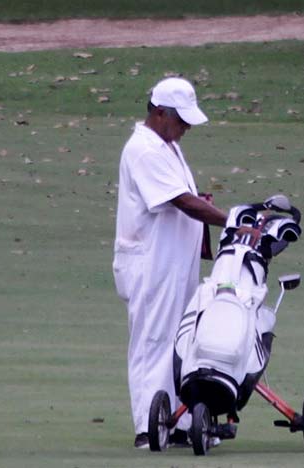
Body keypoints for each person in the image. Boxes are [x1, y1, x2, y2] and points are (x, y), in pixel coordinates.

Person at [112, 77, 228, 449]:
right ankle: (149, 426)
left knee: (179, 342)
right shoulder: (144, 150)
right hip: (150, 264)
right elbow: (182, 201)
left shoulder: (166, 144)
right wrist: (233, 219)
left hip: (173, 264)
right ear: (159, 113)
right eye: (181, 120)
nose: (187, 127)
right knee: (153, 342)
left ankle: (175, 422)